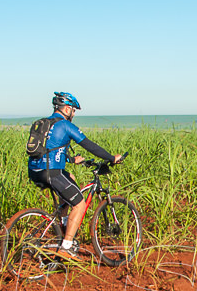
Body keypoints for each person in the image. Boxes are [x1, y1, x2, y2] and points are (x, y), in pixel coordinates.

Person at [27, 92, 125, 259]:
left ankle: (64, 224)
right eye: (73, 111)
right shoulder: (65, 125)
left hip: (35, 171)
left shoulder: (45, 123)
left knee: (70, 178)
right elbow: (89, 145)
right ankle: (67, 246)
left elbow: (49, 149)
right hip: (52, 173)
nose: (73, 114)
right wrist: (111, 158)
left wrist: (72, 159)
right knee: (79, 203)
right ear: (66, 109)